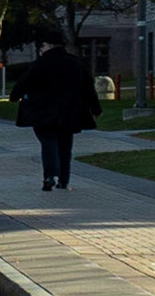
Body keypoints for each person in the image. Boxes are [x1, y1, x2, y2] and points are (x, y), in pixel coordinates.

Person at [9, 31, 102, 191]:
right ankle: (64, 180)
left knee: (48, 142)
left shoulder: (40, 64)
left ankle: (50, 175)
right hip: (69, 112)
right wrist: (95, 108)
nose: (41, 49)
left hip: (43, 112)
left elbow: (23, 83)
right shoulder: (76, 64)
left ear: (49, 46)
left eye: (43, 46)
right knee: (65, 146)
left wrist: (14, 96)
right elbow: (88, 89)